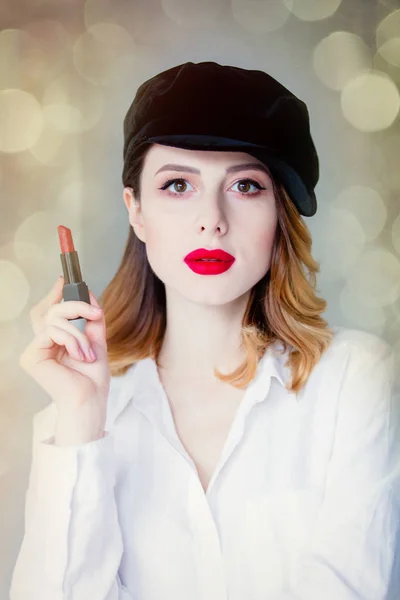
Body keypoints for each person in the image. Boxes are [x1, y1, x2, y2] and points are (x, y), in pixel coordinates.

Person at [10, 61, 399, 600]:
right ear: (136, 212)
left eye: (244, 185)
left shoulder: (355, 380)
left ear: (279, 213)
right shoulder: (75, 417)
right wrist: (81, 419)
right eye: (177, 185)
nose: (211, 219)